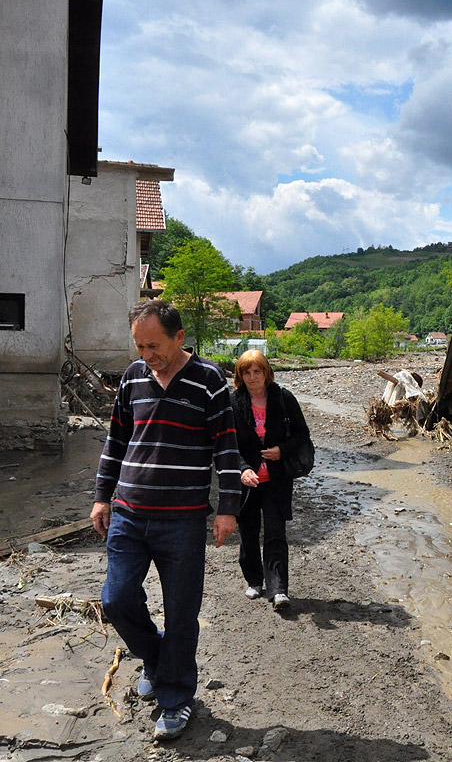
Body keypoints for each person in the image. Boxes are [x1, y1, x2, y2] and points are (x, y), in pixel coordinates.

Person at [91, 299, 241, 742]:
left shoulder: (209, 381)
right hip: (129, 514)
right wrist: (102, 498)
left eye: (154, 346)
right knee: (116, 599)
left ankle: (176, 700)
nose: (146, 355)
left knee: (181, 613)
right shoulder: (132, 377)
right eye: (139, 346)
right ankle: (156, 660)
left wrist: (228, 507)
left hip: (182, 520)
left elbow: (227, 449)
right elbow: (115, 440)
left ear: (179, 338)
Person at [230, 349, 310, 612]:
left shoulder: (283, 398)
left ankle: (278, 590)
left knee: (276, 533)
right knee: (248, 533)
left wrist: (281, 451)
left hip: (277, 479)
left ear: (266, 373)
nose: (253, 377)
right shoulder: (233, 403)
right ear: (240, 376)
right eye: (247, 372)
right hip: (247, 483)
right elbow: (226, 444)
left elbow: (302, 434)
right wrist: (242, 469)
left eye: (257, 371)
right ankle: (254, 579)